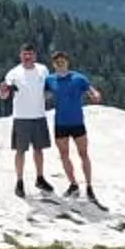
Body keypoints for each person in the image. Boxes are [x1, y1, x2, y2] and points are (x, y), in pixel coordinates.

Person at [45, 49, 103, 204]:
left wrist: (95, 94)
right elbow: (43, 93)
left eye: (62, 60)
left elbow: (90, 89)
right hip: (60, 123)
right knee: (64, 155)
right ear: (54, 64)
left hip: (77, 121)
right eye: (57, 61)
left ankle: (89, 186)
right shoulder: (50, 80)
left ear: (67, 62)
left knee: (83, 154)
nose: (60, 63)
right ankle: (73, 184)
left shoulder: (79, 78)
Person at [0, 43, 56, 198]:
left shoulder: (43, 70)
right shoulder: (13, 74)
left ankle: (40, 177)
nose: (28, 56)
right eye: (25, 54)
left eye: (30, 53)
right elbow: (4, 95)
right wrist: (2, 91)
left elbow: (48, 89)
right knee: (20, 150)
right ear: (20, 55)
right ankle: (19, 181)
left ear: (35, 55)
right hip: (21, 117)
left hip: (39, 115)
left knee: (39, 149)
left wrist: (49, 95)